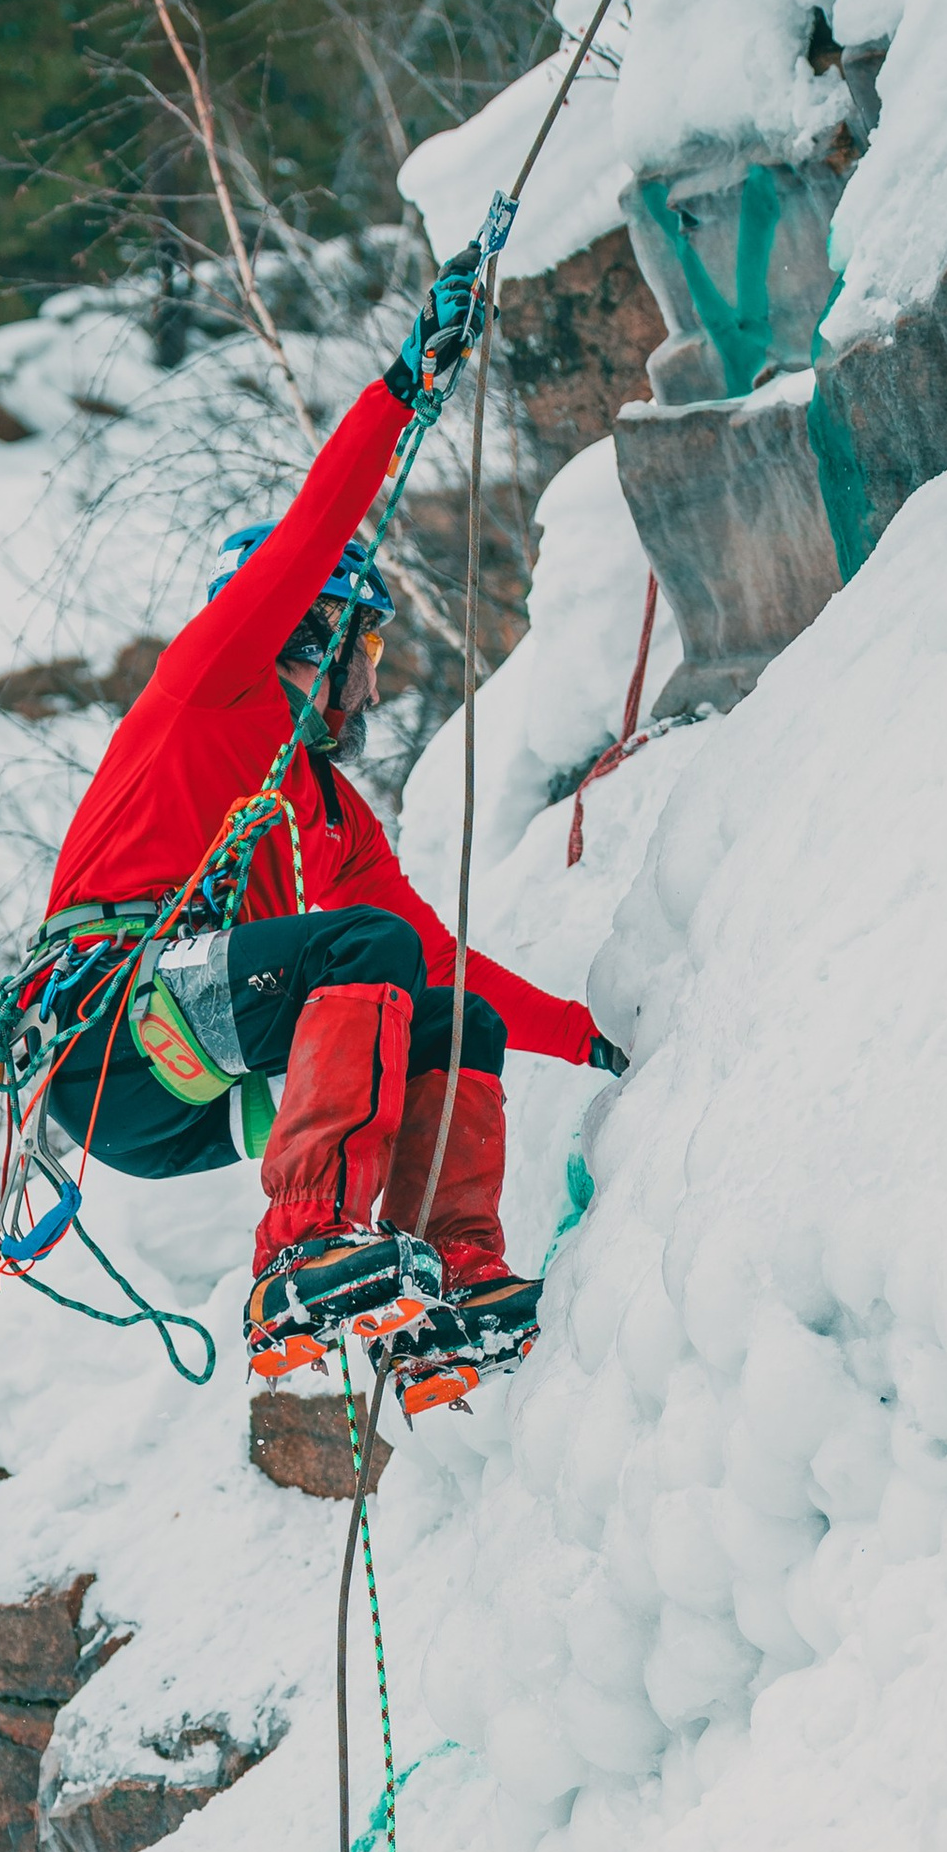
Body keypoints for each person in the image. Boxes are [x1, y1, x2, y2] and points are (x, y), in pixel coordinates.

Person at [38, 241, 627, 1408]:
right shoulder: (212, 691)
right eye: (363, 656)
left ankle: (449, 1283)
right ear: (324, 642)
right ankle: (301, 1248)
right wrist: (405, 386)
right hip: (111, 1038)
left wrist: (584, 1037)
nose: (370, 687)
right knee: (368, 955)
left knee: (437, 1007)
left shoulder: (326, 814)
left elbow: (434, 959)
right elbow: (314, 528)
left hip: (193, 1081)